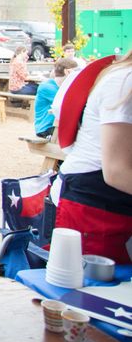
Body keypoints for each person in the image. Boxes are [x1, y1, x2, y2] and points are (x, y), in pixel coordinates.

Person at [54, 50, 132, 263]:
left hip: (117, 202)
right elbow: (117, 172)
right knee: (93, 292)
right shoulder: (125, 82)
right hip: (95, 206)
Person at [33, 57, 78, 138]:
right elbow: (70, 103)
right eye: (75, 71)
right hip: (46, 129)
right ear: (67, 71)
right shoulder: (47, 87)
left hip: (57, 127)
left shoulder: (62, 88)